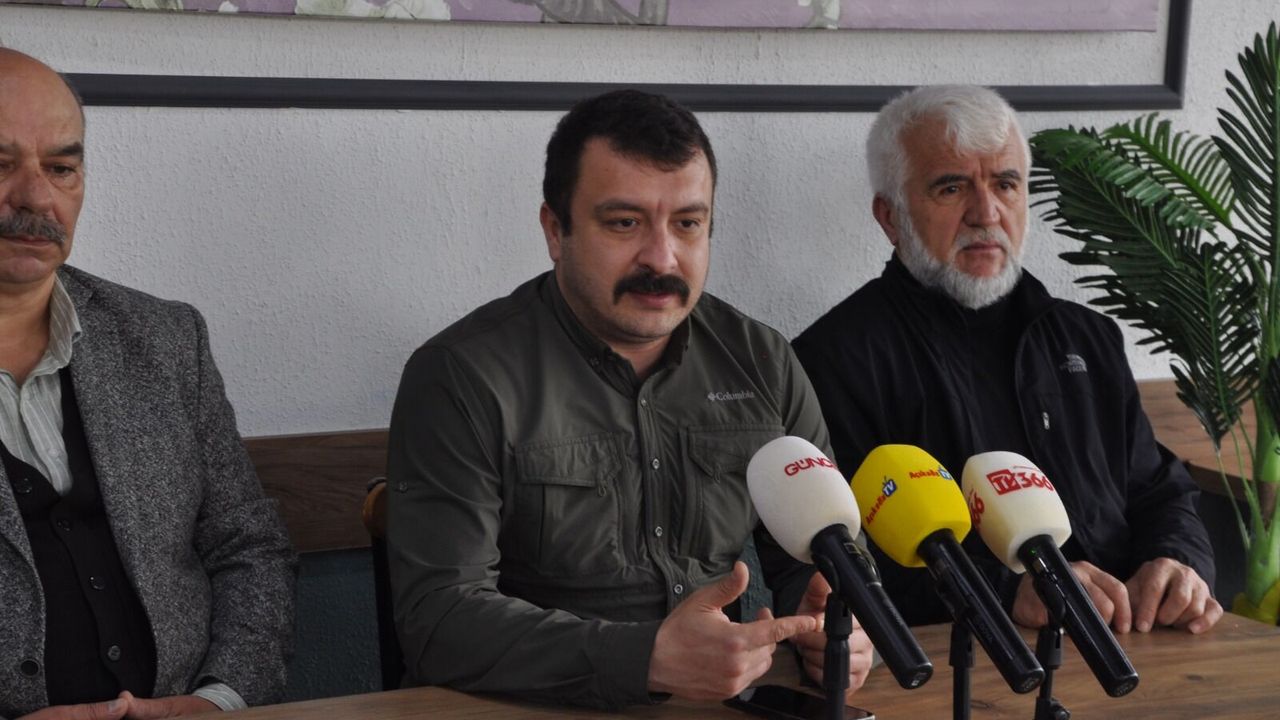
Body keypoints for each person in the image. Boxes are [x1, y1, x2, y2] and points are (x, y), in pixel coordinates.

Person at [387, 89, 873, 710]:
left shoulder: (762, 361)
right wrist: (644, 658)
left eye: (688, 224)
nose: (661, 258)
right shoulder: (462, 374)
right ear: (555, 230)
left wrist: (835, 626)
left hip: (722, 705)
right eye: (624, 223)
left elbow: (820, 558)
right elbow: (439, 620)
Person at [792, 84, 1222, 636]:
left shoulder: (1088, 338)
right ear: (891, 217)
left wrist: (1176, 561)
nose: (986, 212)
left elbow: (1158, 490)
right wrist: (1006, 593)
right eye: (951, 187)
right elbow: (847, 562)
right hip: (970, 653)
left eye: (1006, 184)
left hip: (1137, 640)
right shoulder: (833, 360)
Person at [0, 48, 295, 719]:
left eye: (61, 168)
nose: (37, 198)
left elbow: (248, 547)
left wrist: (219, 700)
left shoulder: (165, 339)